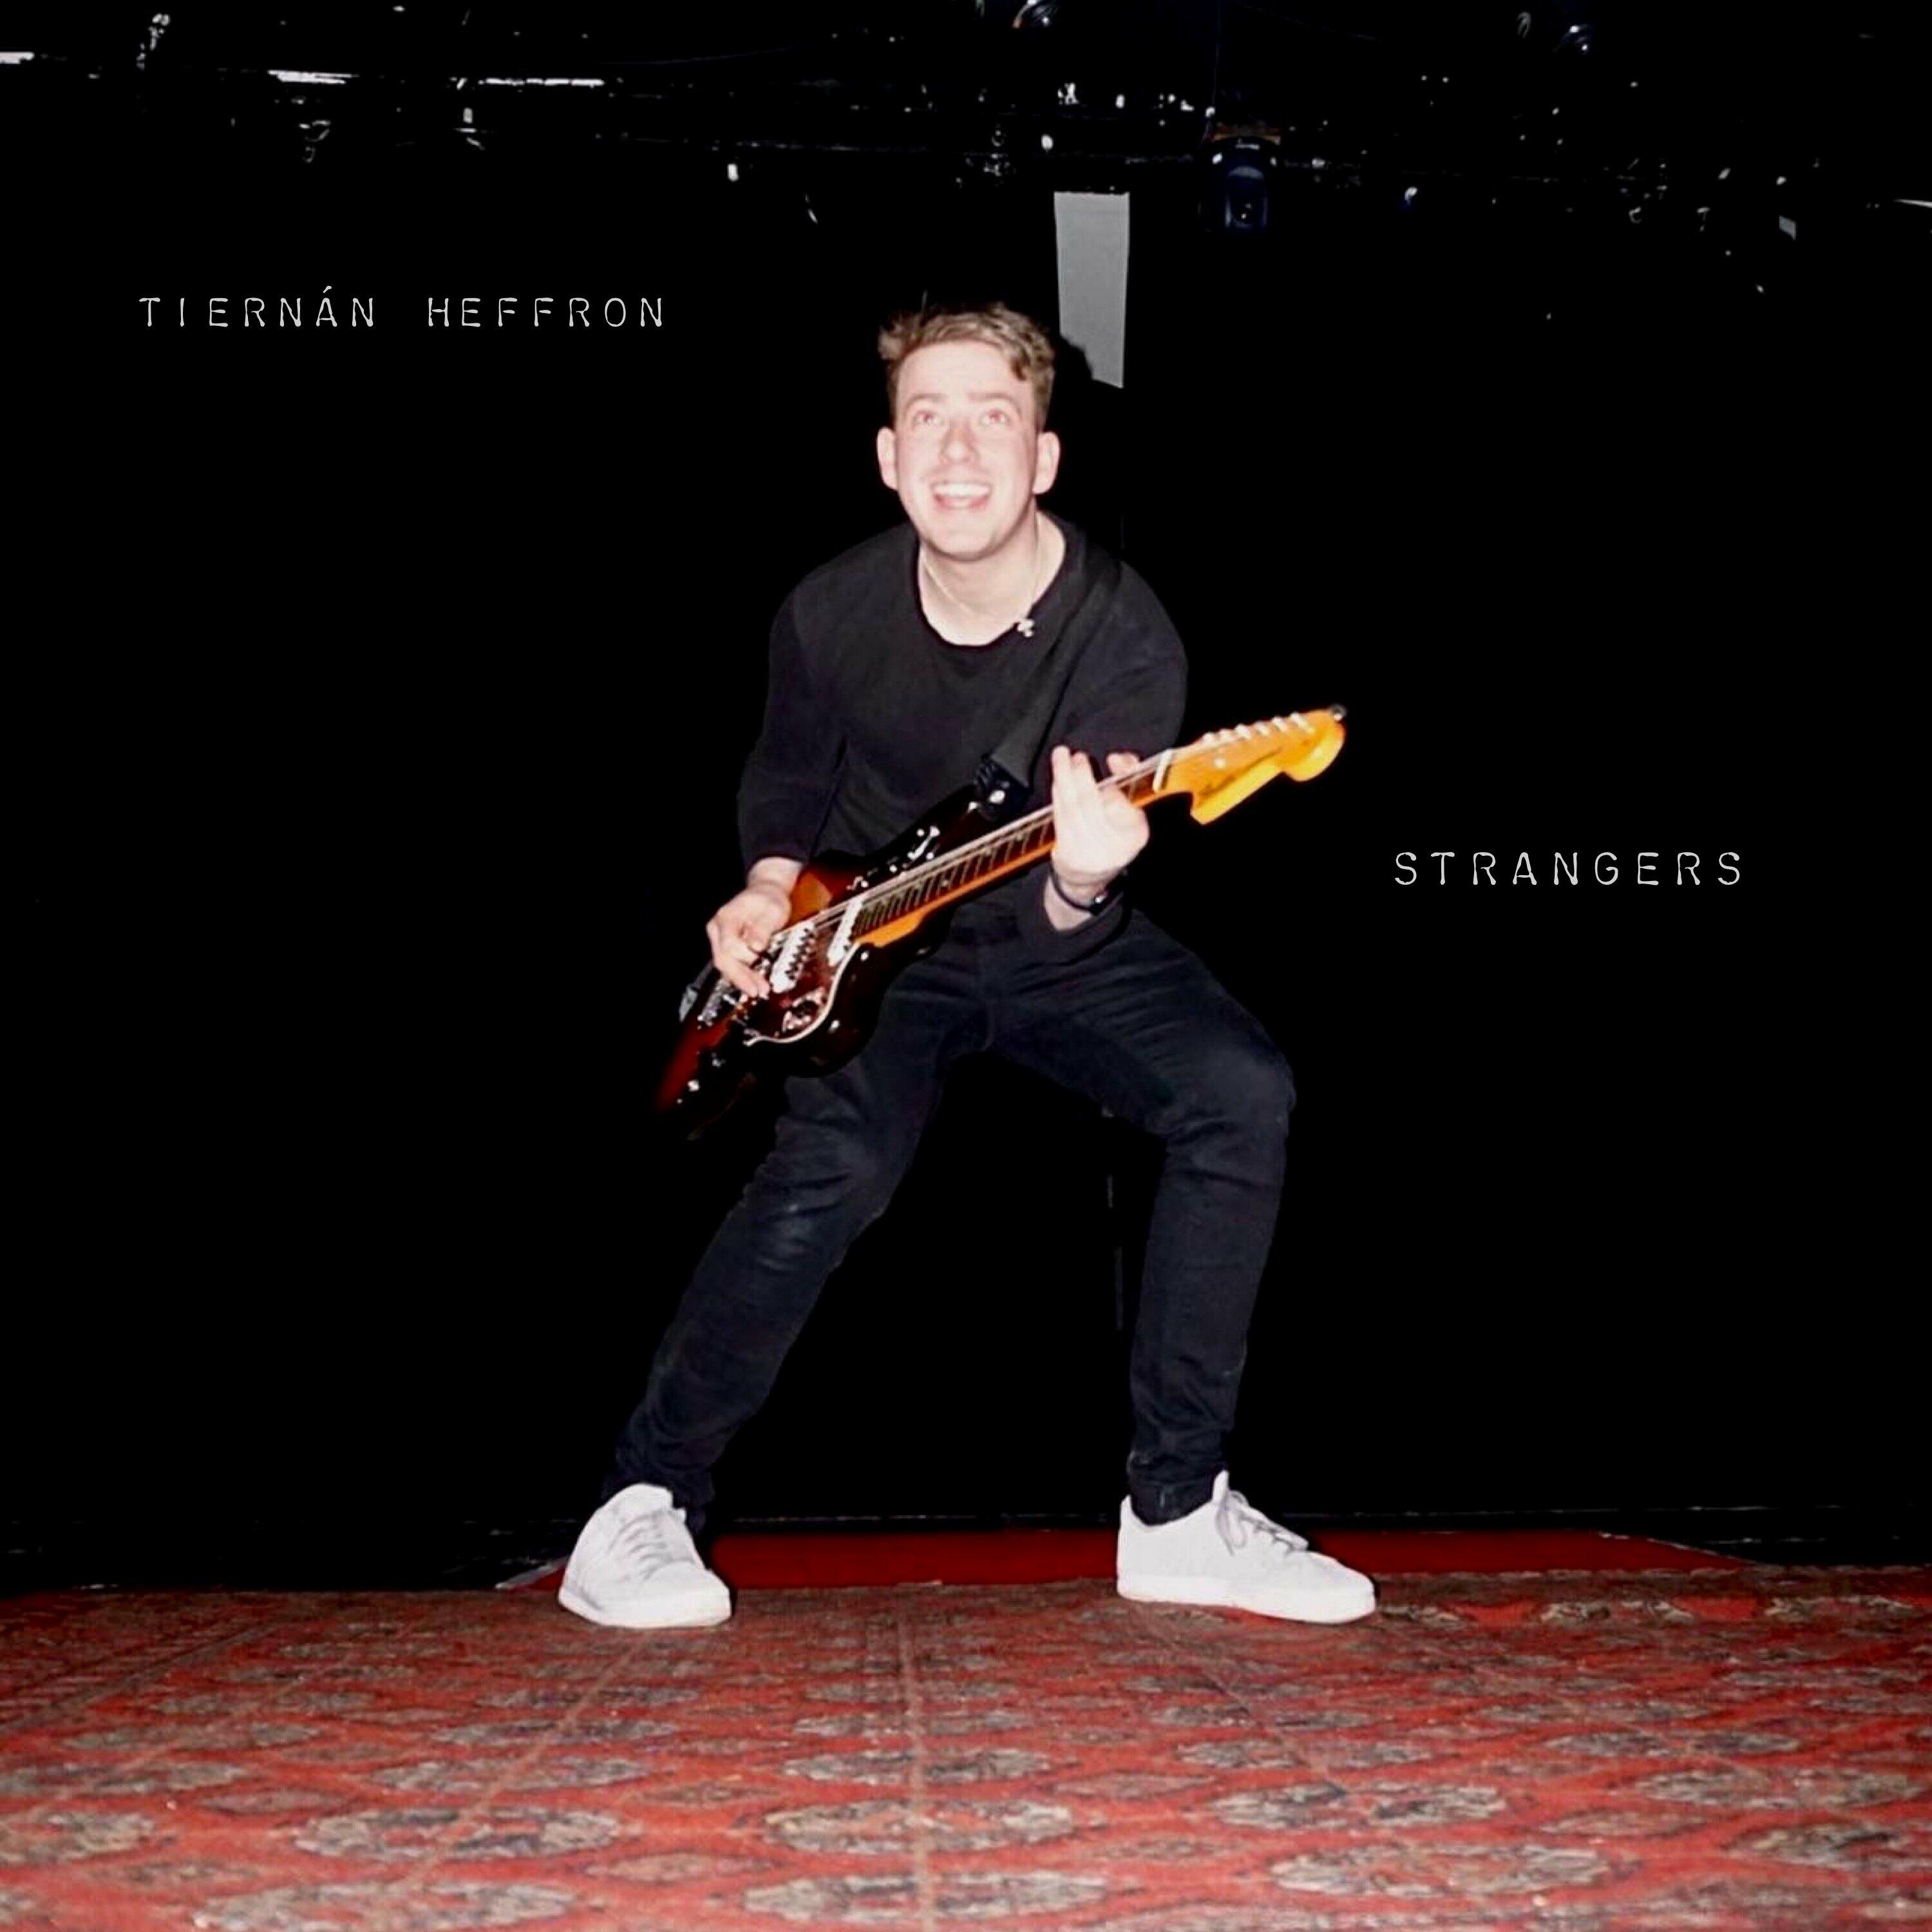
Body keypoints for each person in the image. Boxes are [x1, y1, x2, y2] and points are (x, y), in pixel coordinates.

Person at [560, 302, 1375, 1629]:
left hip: (1054, 929)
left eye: (993, 419)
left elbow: (1073, 909)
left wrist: (1085, 875)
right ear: (888, 458)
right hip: (875, 949)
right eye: (927, 418)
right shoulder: (829, 611)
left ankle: (1178, 1513)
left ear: (1043, 458)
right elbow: (788, 777)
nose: (957, 450)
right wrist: (767, 888)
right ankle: (639, 1505)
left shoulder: (1124, 633)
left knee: (1242, 1094)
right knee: (839, 1161)